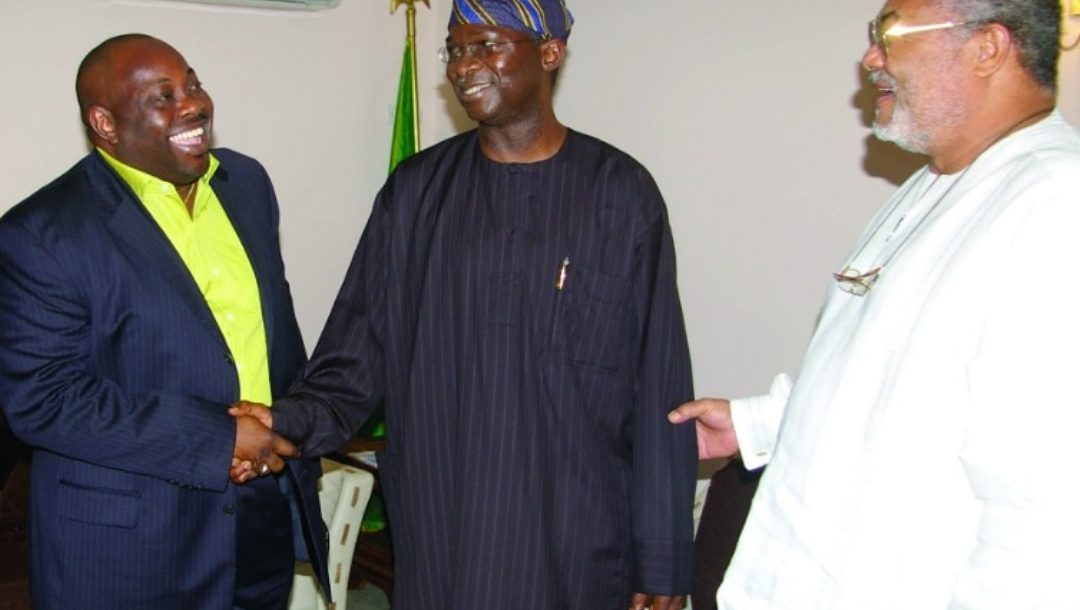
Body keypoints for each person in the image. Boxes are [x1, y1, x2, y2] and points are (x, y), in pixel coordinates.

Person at [230, 1, 697, 608]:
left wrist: (661, 558)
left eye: (486, 46)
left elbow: (659, 382)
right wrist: (283, 423)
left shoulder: (621, 193)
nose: (462, 65)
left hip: (576, 534)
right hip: (445, 525)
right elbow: (356, 354)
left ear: (549, 52)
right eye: (454, 49)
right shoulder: (416, 192)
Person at [669, 0, 1080, 608]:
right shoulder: (939, 182)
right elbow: (901, 389)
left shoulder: (1055, 205)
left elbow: (1046, 522)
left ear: (987, 48)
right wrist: (757, 423)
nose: (869, 58)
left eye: (889, 34)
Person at [0, 34, 330, 610]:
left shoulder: (245, 183)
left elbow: (272, 337)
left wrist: (292, 422)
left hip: (260, 514)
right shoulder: (42, 233)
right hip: (133, 545)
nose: (194, 104)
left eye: (193, 84)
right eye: (164, 96)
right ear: (104, 123)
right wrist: (221, 439)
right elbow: (43, 400)